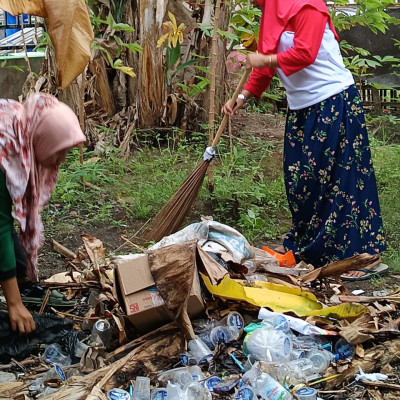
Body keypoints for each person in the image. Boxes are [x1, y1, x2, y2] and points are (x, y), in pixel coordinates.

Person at [223, 0, 386, 276]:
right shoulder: (272, 12)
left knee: (340, 183)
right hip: (302, 109)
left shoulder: (307, 5)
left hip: (334, 102)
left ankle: (359, 256)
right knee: (303, 182)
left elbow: (305, 53)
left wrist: (265, 59)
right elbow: (265, 63)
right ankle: (315, 248)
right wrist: (242, 95)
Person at [0, 93, 86, 334]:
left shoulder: (23, 128)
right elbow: (1, 226)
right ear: (39, 140)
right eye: (58, 150)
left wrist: (20, 276)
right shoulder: (5, 154)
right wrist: (14, 303)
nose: (61, 159)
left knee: (17, 266)